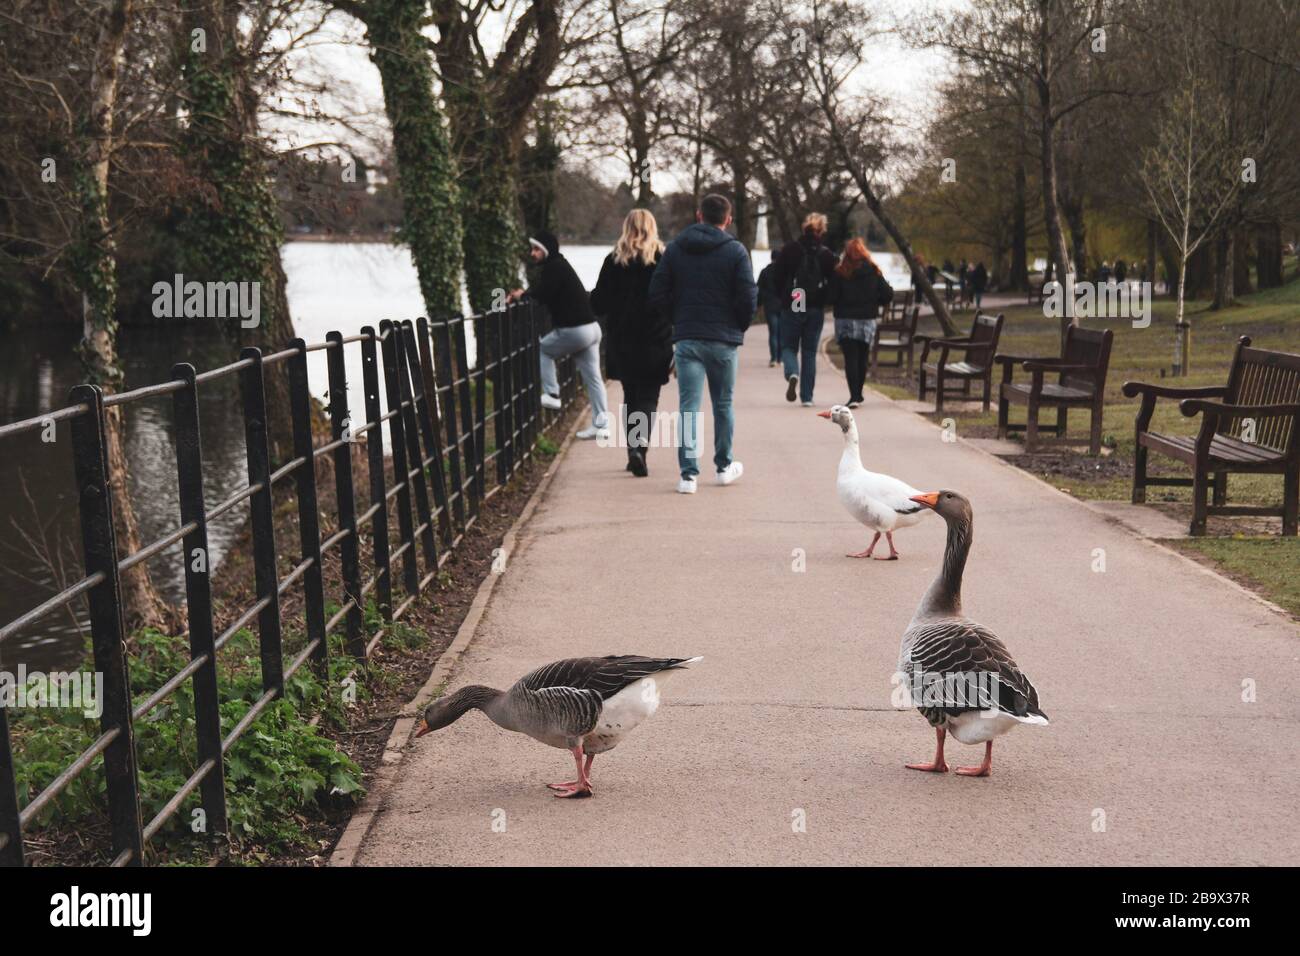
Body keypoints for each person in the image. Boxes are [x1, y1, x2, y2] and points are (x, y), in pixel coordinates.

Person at [648, 193, 756, 494]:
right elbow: (748, 296)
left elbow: (657, 292)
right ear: (728, 219)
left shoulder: (676, 249)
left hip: (688, 339)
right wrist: (738, 326)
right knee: (723, 403)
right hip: (723, 340)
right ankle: (723, 467)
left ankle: (688, 476)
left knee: (688, 408)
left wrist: (677, 320)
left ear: (699, 215)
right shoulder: (736, 251)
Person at [589, 210, 672, 477]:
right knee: (649, 396)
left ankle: (632, 451)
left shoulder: (613, 260)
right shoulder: (663, 259)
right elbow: (673, 298)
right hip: (654, 338)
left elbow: (598, 303)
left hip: (622, 339)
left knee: (630, 395)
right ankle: (640, 450)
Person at [508, 231, 609, 439]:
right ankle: (602, 425)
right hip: (592, 329)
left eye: (537, 249)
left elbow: (543, 293)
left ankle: (553, 393)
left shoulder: (554, 267)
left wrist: (522, 295)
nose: (532, 253)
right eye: (532, 249)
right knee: (594, 379)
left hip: (575, 329)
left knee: (542, 349)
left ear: (547, 250)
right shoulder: (561, 266)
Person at [774, 213, 838, 406]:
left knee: (788, 346)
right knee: (809, 352)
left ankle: (792, 372)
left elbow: (777, 276)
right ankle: (807, 397)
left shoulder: (790, 249)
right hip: (815, 305)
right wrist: (824, 299)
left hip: (795, 300)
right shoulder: (826, 254)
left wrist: (784, 297)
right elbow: (834, 282)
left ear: (804, 228)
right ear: (821, 230)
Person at [827, 238, 893, 408]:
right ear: (864, 252)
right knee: (863, 358)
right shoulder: (873, 271)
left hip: (845, 320)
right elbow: (887, 294)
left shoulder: (840, 272)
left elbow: (831, 297)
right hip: (866, 319)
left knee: (850, 358)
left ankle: (854, 396)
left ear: (846, 254)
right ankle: (859, 393)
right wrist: (874, 301)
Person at [756, 249, 782, 367]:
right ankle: (780, 359)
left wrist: (758, 305)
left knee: (773, 333)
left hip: (770, 305)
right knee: (782, 333)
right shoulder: (785, 272)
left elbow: (759, 290)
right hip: (783, 306)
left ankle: (773, 358)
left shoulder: (765, 272)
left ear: (771, 258)